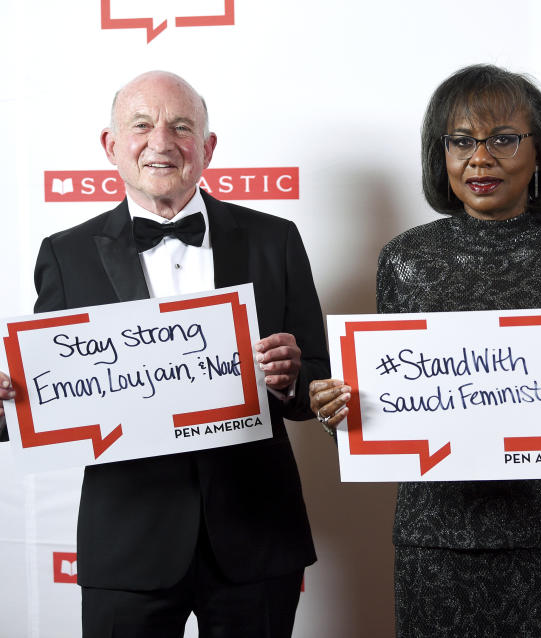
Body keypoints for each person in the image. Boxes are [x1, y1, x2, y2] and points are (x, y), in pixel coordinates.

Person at [0, 71, 330, 637]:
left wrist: (290, 379)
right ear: (110, 146)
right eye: (141, 125)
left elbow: (318, 385)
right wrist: (8, 403)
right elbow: (49, 400)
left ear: (207, 147)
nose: (161, 141)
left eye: (181, 126)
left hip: (257, 535)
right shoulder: (65, 254)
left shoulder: (275, 239)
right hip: (127, 541)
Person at [311, 64, 541, 637]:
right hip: (435, 538)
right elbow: (391, 411)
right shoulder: (405, 261)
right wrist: (341, 411)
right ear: (441, 155)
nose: (479, 159)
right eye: (461, 141)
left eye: (503, 139)